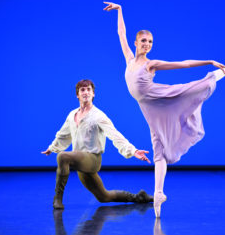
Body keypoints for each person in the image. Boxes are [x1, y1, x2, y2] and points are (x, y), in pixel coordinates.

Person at [103, 2, 225, 218]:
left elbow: (183, 64)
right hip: (150, 108)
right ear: (136, 43)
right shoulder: (129, 59)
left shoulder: (151, 64)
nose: (147, 44)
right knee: (158, 148)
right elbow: (121, 32)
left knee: (199, 86)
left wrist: (209, 61)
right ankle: (159, 193)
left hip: (162, 96)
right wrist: (120, 10)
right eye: (143, 41)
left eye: (150, 42)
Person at [41, 79, 153, 209]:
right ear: (77, 94)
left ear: (93, 94)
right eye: (82, 90)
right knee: (104, 197)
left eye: (89, 89)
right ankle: (139, 197)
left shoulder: (98, 116)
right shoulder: (72, 115)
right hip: (79, 161)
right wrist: (52, 147)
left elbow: (115, 135)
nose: (86, 92)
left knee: (63, 157)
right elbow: (63, 134)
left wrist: (133, 151)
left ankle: (57, 200)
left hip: (93, 159)